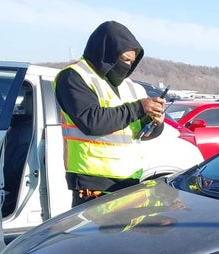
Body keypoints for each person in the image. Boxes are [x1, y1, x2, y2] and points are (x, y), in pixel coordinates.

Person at [54, 21, 167, 207]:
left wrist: (156, 122)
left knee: (124, 236)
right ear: (106, 53)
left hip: (129, 181)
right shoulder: (74, 76)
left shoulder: (132, 87)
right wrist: (140, 108)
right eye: (124, 59)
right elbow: (91, 121)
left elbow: (141, 133)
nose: (127, 66)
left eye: (132, 62)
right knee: (94, 236)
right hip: (93, 183)